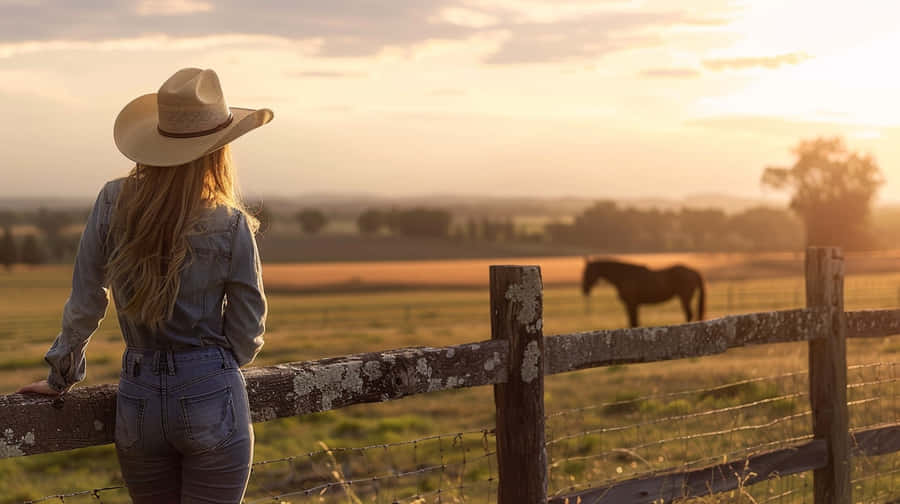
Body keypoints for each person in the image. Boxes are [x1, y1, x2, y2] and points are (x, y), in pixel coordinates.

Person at [17, 67, 273, 503]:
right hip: (211, 390)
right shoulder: (231, 224)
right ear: (218, 151)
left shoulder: (112, 200)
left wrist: (60, 376)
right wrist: (212, 367)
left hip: (137, 398)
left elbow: (86, 299)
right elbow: (248, 329)